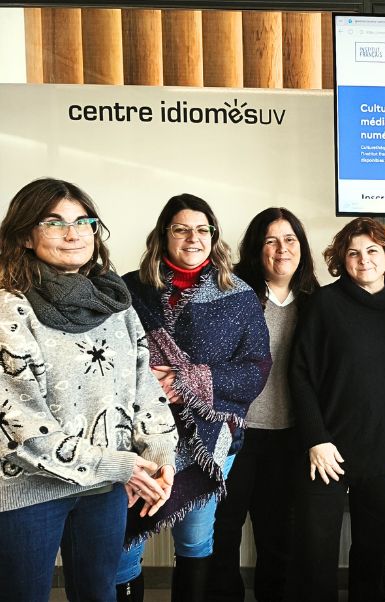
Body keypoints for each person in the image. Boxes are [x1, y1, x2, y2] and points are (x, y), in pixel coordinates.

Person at [0, 178, 178, 602]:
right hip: (28, 490)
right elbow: (19, 426)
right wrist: (123, 466)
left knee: (100, 595)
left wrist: (158, 457)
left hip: (103, 491)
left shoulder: (114, 303)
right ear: (26, 235)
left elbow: (144, 387)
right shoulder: (10, 307)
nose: (73, 232)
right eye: (53, 222)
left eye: (84, 220)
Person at [115, 194, 271, 602]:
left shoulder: (238, 295)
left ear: (214, 237)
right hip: (137, 438)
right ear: (163, 235)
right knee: (125, 543)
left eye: (203, 229)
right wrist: (148, 384)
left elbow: (256, 369)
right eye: (181, 229)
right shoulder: (129, 288)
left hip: (209, 438)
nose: (193, 237)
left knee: (196, 541)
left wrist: (185, 379)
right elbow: (110, 356)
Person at [290, 217, 385, 602]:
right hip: (325, 452)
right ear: (341, 260)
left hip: (381, 450)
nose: (364, 260)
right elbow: (299, 374)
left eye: (373, 251)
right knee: (317, 551)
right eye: (353, 253)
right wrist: (316, 438)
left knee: (374, 548)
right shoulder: (324, 305)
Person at [207, 208, 320, 602]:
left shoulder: (315, 302)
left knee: (278, 537)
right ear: (257, 249)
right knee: (222, 531)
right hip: (233, 435)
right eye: (271, 240)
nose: (282, 248)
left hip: (288, 438)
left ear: (302, 248)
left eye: (290, 239)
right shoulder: (232, 294)